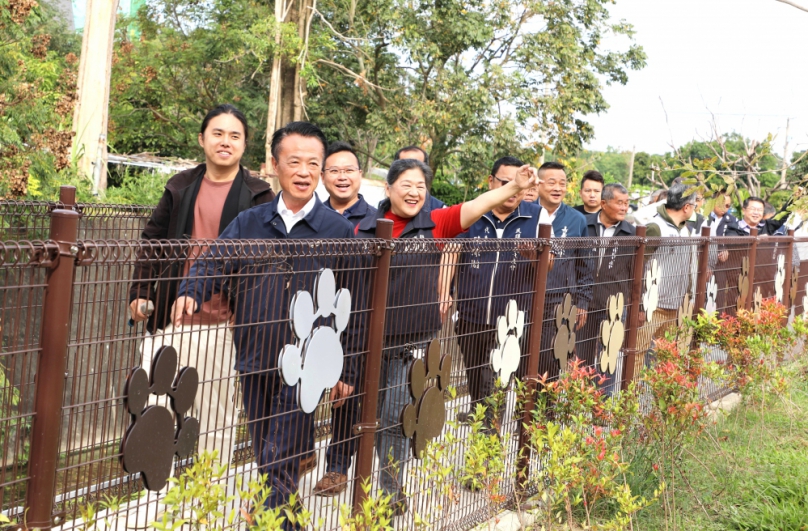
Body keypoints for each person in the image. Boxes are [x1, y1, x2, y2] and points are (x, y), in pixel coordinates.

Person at [172, 122, 356, 518]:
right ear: (275, 166)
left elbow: (351, 305)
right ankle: (286, 519)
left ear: (321, 171)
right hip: (255, 354)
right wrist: (191, 290)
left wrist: (347, 366)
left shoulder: (338, 231)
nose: (304, 172)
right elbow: (214, 261)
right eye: (294, 162)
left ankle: (267, 517)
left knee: (281, 445)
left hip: (309, 364)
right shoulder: (250, 222)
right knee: (266, 445)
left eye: (313, 163)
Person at [353, 157, 539, 515]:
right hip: (367, 338)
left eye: (420, 186)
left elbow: (475, 206)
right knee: (371, 415)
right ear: (388, 188)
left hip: (411, 340)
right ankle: (379, 483)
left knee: (394, 413)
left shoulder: (436, 224)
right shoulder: (366, 228)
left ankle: (390, 491)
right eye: (406, 184)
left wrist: (515, 186)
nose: (413, 192)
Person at [128, 104, 274, 472]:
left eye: (234, 135)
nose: (225, 141)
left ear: (245, 144)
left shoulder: (258, 195)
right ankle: (160, 497)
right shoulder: (180, 186)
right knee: (155, 410)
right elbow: (153, 240)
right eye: (218, 133)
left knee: (215, 414)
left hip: (223, 324)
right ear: (202, 139)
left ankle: (209, 503)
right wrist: (140, 291)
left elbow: (269, 257)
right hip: (169, 319)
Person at [450, 156, 542, 429]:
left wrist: (537, 255)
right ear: (491, 182)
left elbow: (550, 261)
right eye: (507, 183)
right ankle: (484, 419)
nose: (514, 189)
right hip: (470, 313)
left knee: (496, 377)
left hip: (510, 318)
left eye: (519, 184)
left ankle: (490, 432)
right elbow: (453, 253)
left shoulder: (535, 216)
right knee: (476, 375)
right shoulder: (473, 212)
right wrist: (447, 296)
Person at [313, 141, 377, 497]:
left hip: (356, 318)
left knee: (345, 397)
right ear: (323, 176)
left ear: (359, 175)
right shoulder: (313, 217)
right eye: (333, 170)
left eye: (348, 170)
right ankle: (302, 451)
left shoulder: (373, 221)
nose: (341, 177)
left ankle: (337, 467)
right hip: (314, 317)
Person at [534, 161, 592, 378]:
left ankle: (546, 410)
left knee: (552, 358)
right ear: (539, 184)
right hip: (527, 298)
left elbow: (585, 264)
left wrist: (583, 302)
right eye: (551, 183)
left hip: (561, 301)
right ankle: (525, 409)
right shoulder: (527, 213)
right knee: (525, 360)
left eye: (562, 183)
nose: (558, 188)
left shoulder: (576, 220)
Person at [579, 183, 636, 395]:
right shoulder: (583, 225)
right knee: (581, 355)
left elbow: (634, 274)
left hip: (614, 305)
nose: (624, 208)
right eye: (619, 203)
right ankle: (580, 399)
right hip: (584, 303)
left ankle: (601, 405)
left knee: (608, 355)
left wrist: (631, 305)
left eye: (627, 203)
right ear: (603, 203)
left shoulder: (631, 234)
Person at [636, 183, 698, 369]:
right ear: (686, 207)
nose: (695, 210)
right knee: (638, 354)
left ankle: (657, 398)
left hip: (674, 307)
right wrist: (640, 304)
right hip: (651, 308)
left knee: (664, 357)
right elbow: (637, 266)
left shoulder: (685, 229)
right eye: (694, 205)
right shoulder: (655, 227)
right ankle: (632, 397)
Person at [393, 145, 446, 209]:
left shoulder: (439, 209)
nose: (412, 170)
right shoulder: (382, 208)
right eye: (405, 166)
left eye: (418, 165)